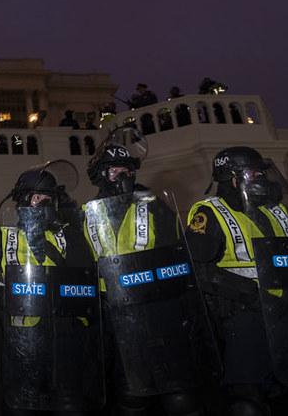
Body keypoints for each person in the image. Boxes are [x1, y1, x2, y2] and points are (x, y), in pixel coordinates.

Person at [83, 128, 210, 416]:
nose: (122, 176)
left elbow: (177, 252)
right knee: (130, 392)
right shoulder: (84, 213)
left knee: (178, 393)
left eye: (126, 170)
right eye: (114, 170)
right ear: (101, 175)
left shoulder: (154, 207)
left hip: (158, 307)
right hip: (112, 314)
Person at [187, 146, 288, 414]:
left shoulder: (279, 209)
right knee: (248, 400)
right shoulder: (210, 212)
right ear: (233, 178)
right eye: (254, 173)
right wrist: (249, 295)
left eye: (262, 172)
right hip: (246, 315)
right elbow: (197, 269)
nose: (262, 179)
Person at [0, 161, 102, 415]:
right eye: (36, 197)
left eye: (48, 198)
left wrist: (47, 242)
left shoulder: (70, 235)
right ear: (22, 201)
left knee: (69, 403)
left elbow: (84, 277)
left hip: (65, 334)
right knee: (21, 404)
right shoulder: (1, 236)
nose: (42, 203)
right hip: (21, 337)